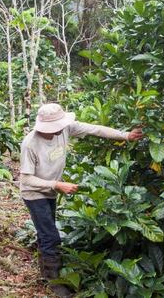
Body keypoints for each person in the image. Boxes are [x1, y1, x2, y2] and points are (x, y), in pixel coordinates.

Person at [19, 102, 143, 297]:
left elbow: (95, 129)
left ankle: (46, 272)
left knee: (47, 231)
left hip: (50, 190)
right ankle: (54, 281)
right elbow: (25, 178)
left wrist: (125, 135)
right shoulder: (30, 143)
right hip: (34, 193)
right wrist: (57, 185)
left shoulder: (65, 128)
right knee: (51, 235)